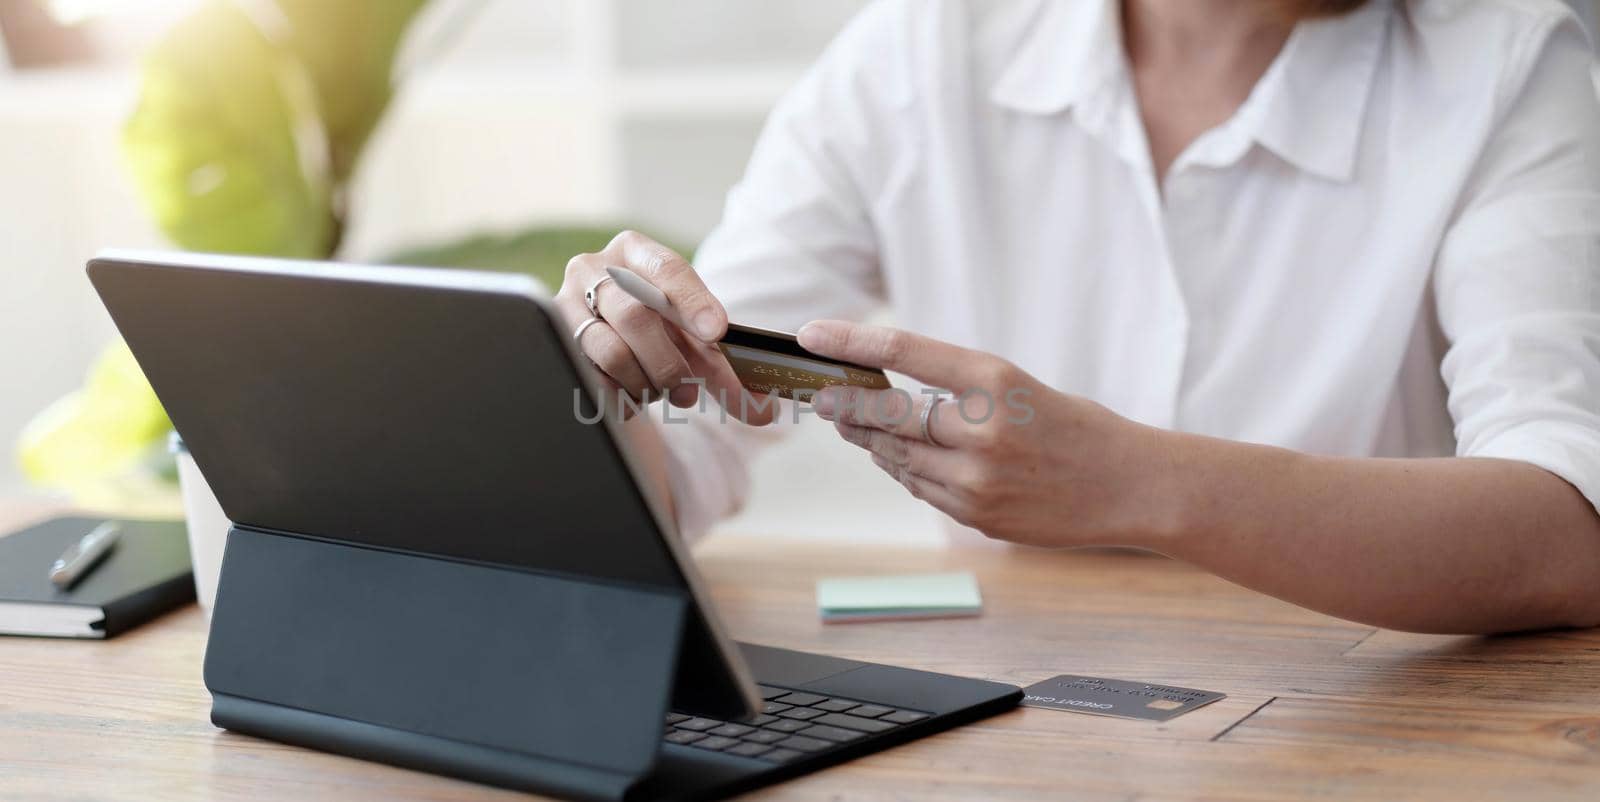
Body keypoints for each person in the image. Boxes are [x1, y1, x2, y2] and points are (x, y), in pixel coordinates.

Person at [554, 0, 1600, 635]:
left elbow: (1569, 531)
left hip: (1377, 715)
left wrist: (1132, 482)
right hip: (1033, 717)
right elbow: (691, 432)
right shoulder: (926, 48)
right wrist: (605, 369)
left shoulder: (1505, 71)